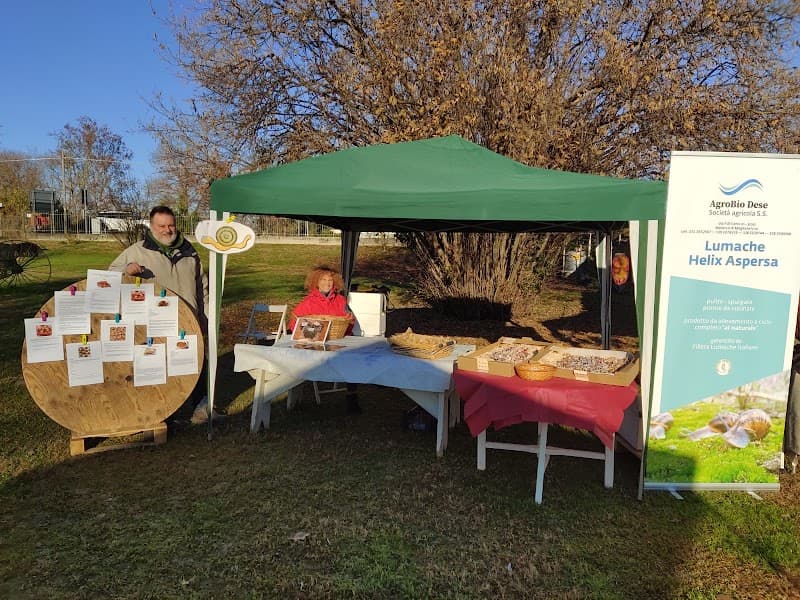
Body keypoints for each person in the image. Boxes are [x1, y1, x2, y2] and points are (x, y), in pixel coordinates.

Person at [109, 206, 218, 424]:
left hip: (189, 319)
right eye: (162, 226)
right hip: (154, 322)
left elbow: (202, 287)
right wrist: (126, 270)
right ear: (151, 226)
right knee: (157, 367)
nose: (168, 230)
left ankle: (201, 406)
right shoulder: (137, 251)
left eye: (171, 225)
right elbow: (110, 275)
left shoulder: (190, 252)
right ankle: (160, 413)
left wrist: (205, 317)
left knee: (195, 363)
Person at [290, 266, 361, 413]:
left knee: (353, 357)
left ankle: (352, 397)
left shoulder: (341, 300)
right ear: (316, 282)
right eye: (323, 279)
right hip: (316, 345)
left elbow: (348, 326)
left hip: (337, 341)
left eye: (330, 280)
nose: (327, 283)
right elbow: (294, 324)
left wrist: (349, 320)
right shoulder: (308, 302)